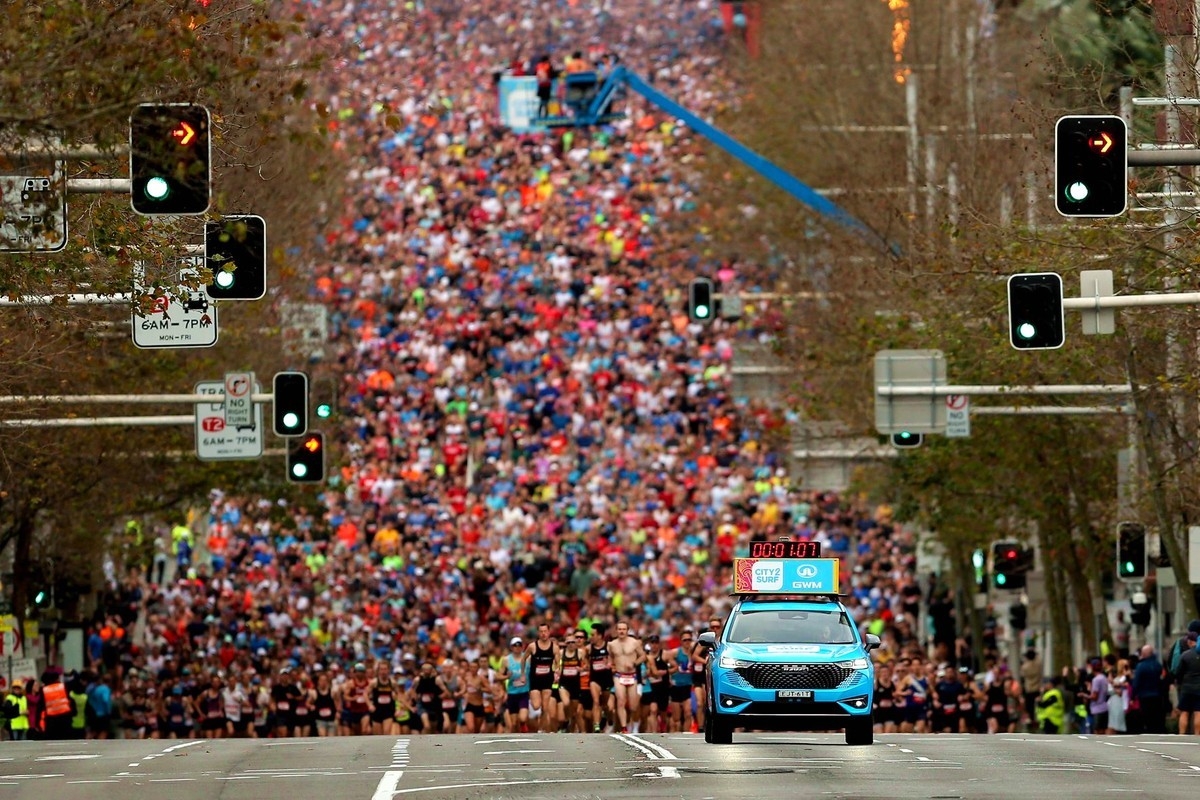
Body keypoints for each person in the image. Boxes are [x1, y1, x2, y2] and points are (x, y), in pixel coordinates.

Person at [608, 621, 645, 734]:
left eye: (624, 629)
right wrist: (611, 665)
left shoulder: (634, 643)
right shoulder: (612, 644)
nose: (621, 631)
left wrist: (634, 663)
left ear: (627, 630)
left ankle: (632, 723)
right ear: (616, 630)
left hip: (632, 675)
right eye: (619, 629)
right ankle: (624, 728)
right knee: (620, 701)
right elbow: (610, 657)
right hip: (619, 675)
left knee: (633, 706)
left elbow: (643, 656)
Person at [1132, 644, 1165, 734]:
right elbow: (1162, 680)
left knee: (1147, 718)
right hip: (1157, 695)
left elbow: (1136, 682)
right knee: (1156, 717)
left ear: (1143, 654)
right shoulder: (1157, 665)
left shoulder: (1141, 666)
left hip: (1144, 696)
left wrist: (1132, 696)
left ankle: (1149, 731)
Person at [1173, 630, 1200, 735]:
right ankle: (1197, 734)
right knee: (1198, 712)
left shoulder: (1185, 655)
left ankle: (1182, 734)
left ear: (1189, 641)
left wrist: (1179, 682)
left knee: (1184, 712)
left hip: (1187, 688)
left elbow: (1178, 672)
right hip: (1199, 689)